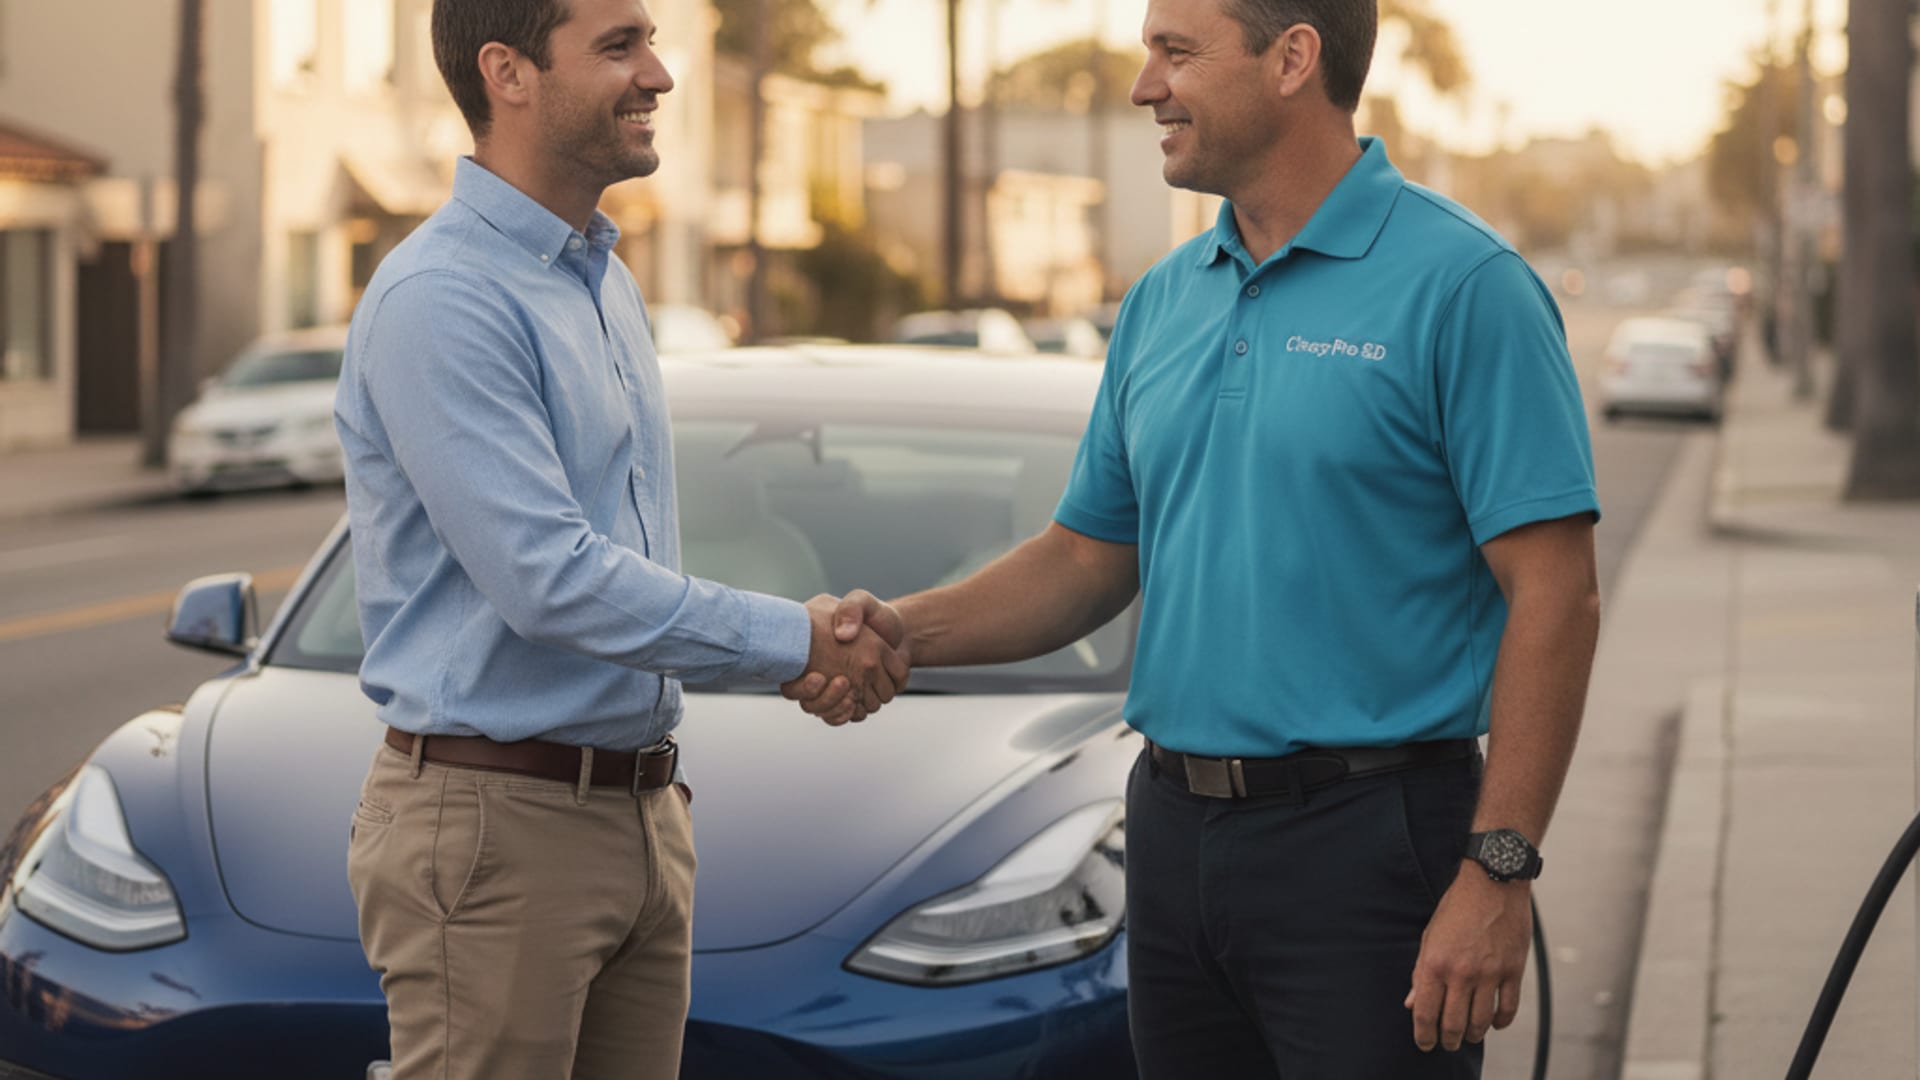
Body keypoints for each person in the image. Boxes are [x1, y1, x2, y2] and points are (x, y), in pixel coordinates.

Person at [793, 0, 1601, 1075]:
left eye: (1176, 53)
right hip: (1170, 840)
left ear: (1292, 59)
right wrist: (899, 629)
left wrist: (1499, 870)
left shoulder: (1466, 288)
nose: (1144, 87)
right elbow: (1086, 558)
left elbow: (1556, 595)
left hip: (1368, 846)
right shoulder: (1162, 303)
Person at [334, 1, 903, 1076]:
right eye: (618, 47)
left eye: (651, 39)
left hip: (636, 813)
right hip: (498, 826)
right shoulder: (443, 297)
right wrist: (802, 639)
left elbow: (623, 565)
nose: (659, 74)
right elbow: (550, 581)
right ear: (507, 72)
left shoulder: (603, 280)